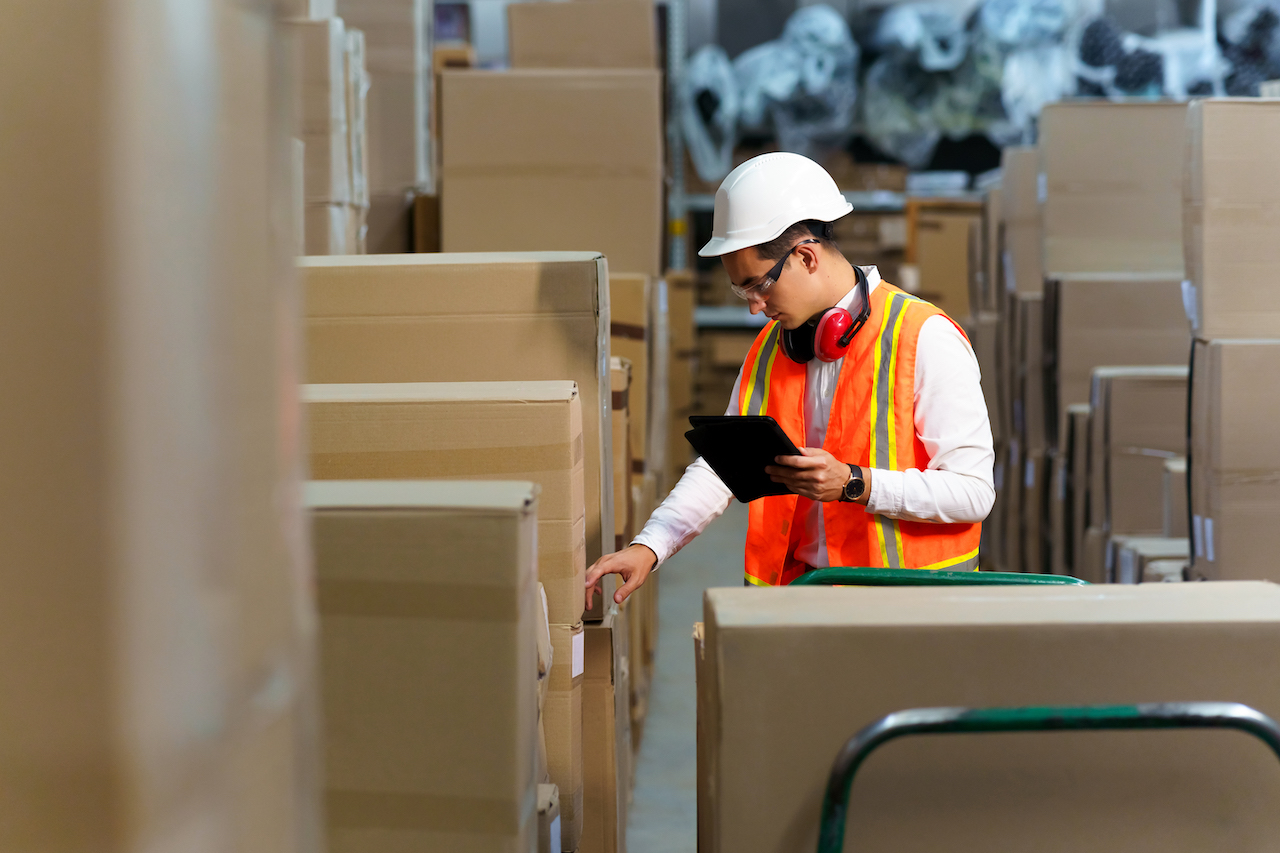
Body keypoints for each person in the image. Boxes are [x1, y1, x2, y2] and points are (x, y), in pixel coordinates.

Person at [586, 152, 994, 607]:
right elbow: (721, 466)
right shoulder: (771, 348)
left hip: (907, 610)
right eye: (742, 291)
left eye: (759, 285)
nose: (754, 306)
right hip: (801, 602)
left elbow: (973, 493)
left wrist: (855, 483)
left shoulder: (923, 337)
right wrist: (650, 546)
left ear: (805, 256)